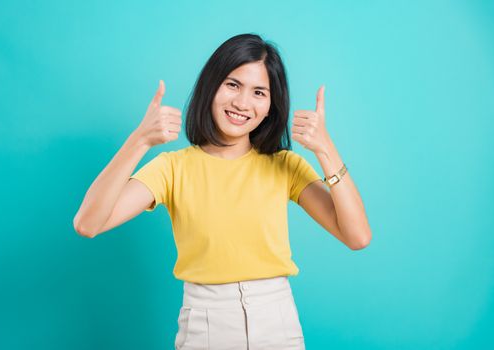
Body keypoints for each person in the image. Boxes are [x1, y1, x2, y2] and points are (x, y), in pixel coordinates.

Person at [73, 33, 372, 350]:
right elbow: (88, 224)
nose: (242, 103)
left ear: (271, 106)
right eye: (232, 84)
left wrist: (325, 149)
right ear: (211, 87)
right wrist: (140, 141)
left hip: (277, 324)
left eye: (259, 92)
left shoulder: (286, 166)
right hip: (205, 327)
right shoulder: (172, 168)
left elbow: (357, 236)